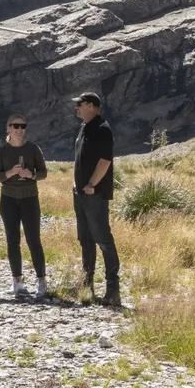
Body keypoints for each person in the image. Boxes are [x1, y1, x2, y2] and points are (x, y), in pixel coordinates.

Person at [0, 112, 48, 298]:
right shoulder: (2, 151)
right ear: (8, 128)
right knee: (12, 241)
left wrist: (30, 175)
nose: (20, 130)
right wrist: (9, 173)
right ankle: (17, 281)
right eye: (16, 126)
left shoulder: (33, 149)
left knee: (33, 240)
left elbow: (43, 173)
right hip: (8, 199)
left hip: (30, 198)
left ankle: (41, 280)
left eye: (23, 126)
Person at [72, 90, 120, 306]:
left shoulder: (102, 129)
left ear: (91, 105)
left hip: (95, 195)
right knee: (85, 239)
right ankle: (87, 284)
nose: (77, 108)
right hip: (80, 194)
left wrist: (91, 185)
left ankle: (113, 290)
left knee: (103, 239)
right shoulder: (84, 128)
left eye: (80, 104)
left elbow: (105, 160)